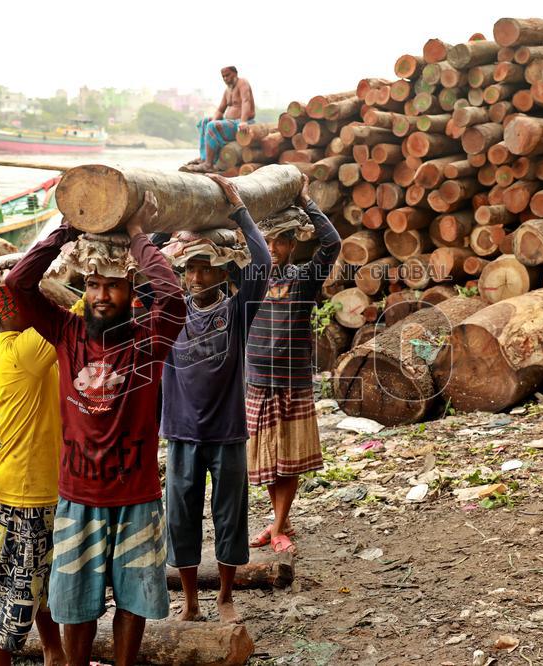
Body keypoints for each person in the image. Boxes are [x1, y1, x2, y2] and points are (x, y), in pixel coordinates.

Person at [5, 192, 185, 666]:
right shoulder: (66, 333)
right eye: (93, 285)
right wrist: (66, 230)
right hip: (79, 497)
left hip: (136, 497)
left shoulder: (149, 341)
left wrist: (138, 235)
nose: (102, 296)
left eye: (113, 286)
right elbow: (18, 285)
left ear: (131, 291)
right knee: (76, 605)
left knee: (134, 600)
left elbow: (172, 296)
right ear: (84, 289)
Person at [160, 174, 270, 625]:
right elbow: (139, 265)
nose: (197, 276)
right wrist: (159, 227)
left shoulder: (236, 312)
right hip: (181, 436)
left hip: (227, 435)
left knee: (229, 519)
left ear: (224, 272)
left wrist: (238, 209)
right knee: (181, 522)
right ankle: (189, 601)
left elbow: (260, 263)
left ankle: (225, 595)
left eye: (206, 268)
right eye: (191, 268)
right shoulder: (166, 312)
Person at [0, 256, 65, 666]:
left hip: (44, 490)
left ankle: (55, 654)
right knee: (13, 599)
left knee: (43, 587)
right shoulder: (21, 352)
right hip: (20, 497)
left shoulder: (27, 348)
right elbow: (75, 312)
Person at [245, 176, 342, 554]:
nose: (272, 249)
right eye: (266, 242)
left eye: (280, 242)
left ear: (290, 245)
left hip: (291, 381)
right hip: (256, 382)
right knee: (268, 458)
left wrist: (306, 201)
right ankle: (279, 520)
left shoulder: (302, 280)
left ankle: (280, 524)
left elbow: (332, 243)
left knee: (288, 460)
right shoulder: (248, 279)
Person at [186, 66, 255, 173]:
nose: (225, 78)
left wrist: (243, 121)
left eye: (228, 75)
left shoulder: (243, 83)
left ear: (235, 73)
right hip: (229, 122)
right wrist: (213, 120)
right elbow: (220, 110)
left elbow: (246, 101)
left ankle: (208, 164)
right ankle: (203, 158)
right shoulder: (227, 91)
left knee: (212, 126)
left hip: (241, 124)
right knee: (205, 122)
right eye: (223, 77)